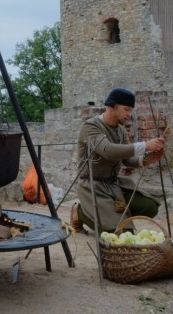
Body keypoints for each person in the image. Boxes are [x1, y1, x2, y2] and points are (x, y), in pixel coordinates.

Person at [71, 88, 166, 234]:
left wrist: (146, 159)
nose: (129, 115)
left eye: (131, 110)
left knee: (149, 207)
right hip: (92, 185)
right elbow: (108, 150)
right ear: (112, 107)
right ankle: (80, 213)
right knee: (120, 233)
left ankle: (113, 216)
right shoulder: (91, 126)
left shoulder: (120, 130)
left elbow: (127, 160)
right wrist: (145, 145)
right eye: (126, 109)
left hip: (113, 184)